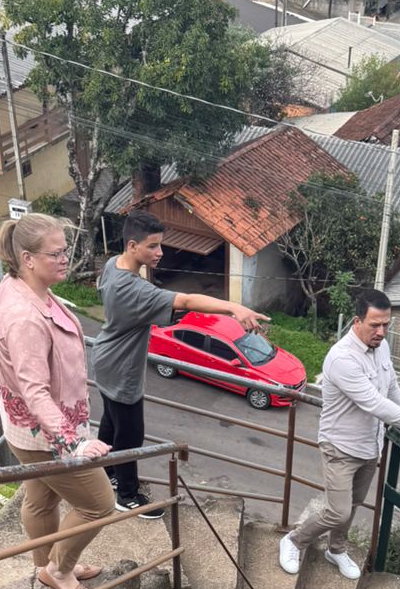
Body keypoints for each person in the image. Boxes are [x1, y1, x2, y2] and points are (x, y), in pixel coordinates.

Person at [93, 210, 270, 518]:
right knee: (130, 435)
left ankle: (106, 473)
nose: (160, 252)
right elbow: (186, 301)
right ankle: (127, 495)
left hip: (106, 357)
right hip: (122, 368)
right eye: (152, 246)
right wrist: (233, 308)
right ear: (132, 246)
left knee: (111, 422)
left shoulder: (113, 265)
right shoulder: (134, 289)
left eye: (160, 244)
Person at [279, 287, 400, 581]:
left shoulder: (382, 347)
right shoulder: (342, 358)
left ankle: (336, 550)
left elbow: (391, 389)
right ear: (357, 322)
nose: (381, 331)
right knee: (338, 511)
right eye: (375, 325)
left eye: (386, 324)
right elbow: (374, 402)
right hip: (340, 446)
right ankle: (294, 540)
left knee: (353, 504)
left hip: (370, 446)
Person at [0, 212, 114, 589]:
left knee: (41, 498)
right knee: (99, 504)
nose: (65, 260)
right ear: (28, 259)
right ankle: (57, 569)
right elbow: (35, 391)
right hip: (46, 435)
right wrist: (74, 443)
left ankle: (48, 565)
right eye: (56, 253)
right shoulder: (24, 318)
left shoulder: (19, 286)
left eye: (65, 251)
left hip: (26, 429)